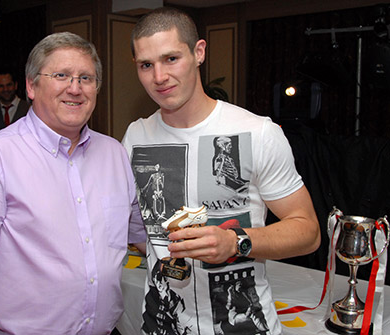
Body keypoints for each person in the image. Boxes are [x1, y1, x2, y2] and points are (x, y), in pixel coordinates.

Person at [122, 7, 321, 335]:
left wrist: (236, 241)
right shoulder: (135, 137)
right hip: (162, 325)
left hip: (243, 327)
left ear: (199, 52)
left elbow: (308, 231)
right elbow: (139, 229)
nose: (159, 77)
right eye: (146, 65)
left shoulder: (257, 133)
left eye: (171, 58)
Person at [0, 32, 146, 335]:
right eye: (61, 75)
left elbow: (140, 235)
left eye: (86, 78)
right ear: (31, 86)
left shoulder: (114, 153)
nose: (75, 88)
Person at [0, 68, 30, 136]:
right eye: (1, 86)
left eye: (9, 85)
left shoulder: (30, 109)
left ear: (15, 85)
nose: (5, 89)